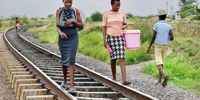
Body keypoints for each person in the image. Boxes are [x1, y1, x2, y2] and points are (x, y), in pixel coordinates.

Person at [56, 0, 84, 92]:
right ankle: (65, 81)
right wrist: (60, 33)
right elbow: (57, 25)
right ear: (63, 1)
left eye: (70, 2)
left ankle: (72, 85)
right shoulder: (59, 11)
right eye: (67, 2)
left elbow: (81, 26)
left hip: (73, 37)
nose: (68, 4)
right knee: (64, 60)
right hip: (63, 38)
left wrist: (73, 21)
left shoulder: (76, 11)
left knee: (72, 59)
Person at [102, 0, 131, 85]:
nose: (118, 7)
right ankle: (114, 78)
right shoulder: (106, 15)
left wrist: (125, 26)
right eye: (116, 5)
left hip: (121, 37)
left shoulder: (122, 14)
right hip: (110, 38)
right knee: (113, 58)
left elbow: (125, 24)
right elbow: (104, 28)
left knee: (122, 57)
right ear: (112, 5)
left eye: (119, 5)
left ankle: (124, 80)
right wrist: (104, 41)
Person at [147, 10, 174, 87]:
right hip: (165, 46)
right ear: (165, 17)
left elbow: (153, 37)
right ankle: (159, 80)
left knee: (158, 63)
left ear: (159, 17)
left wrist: (149, 46)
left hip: (158, 46)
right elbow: (172, 38)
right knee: (161, 63)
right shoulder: (169, 26)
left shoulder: (156, 25)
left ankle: (165, 76)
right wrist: (166, 37)